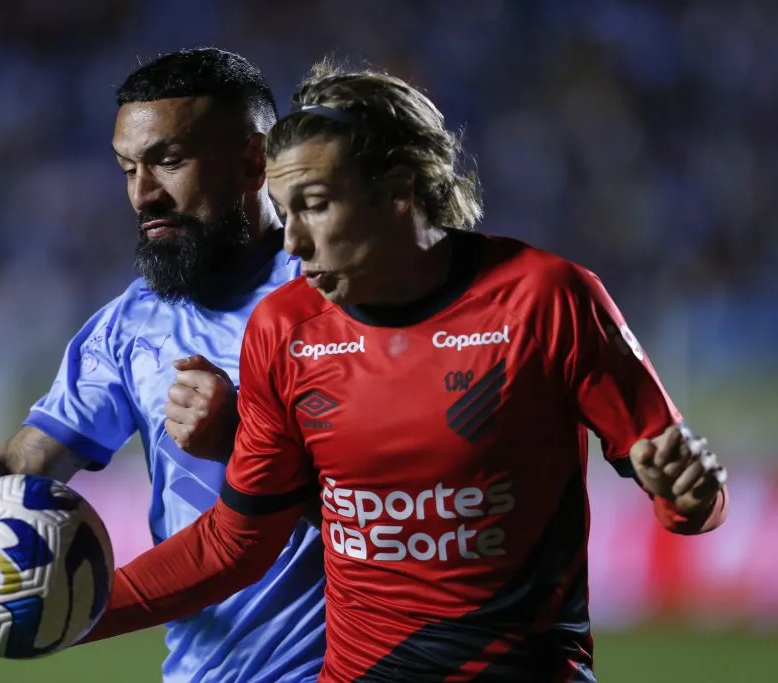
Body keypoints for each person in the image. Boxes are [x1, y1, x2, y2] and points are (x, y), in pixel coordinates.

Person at [77, 62, 730, 682]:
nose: (293, 241)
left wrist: (690, 493)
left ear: (398, 191)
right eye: (285, 209)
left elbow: (692, 504)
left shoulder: (546, 300)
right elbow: (234, 543)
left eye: (315, 205)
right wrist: (71, 614)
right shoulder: (285, 328)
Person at [0, 48, 327, 683]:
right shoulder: (130, 327)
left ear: (253, 160)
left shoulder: (335, 298)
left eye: (168, 161)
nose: (143, 195)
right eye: (128, 168)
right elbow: (19, 472)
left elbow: (396, 500)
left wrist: (240, 439)